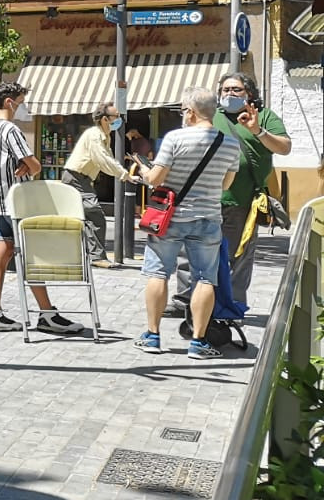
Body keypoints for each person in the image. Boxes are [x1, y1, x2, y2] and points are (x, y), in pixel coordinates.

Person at [166, 71, 290, 318]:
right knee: (190, 251)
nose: (230, 94)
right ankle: (185, 300)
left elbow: (284, 147)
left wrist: (258, 131)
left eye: (236, 90)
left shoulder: (264, 117)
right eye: (225, 90)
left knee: (237, 256)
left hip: (241, 202)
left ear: (249, 94)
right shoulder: (211, 114)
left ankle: (231, 305)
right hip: (201, 198)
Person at [136, 87, 241, 359]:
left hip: (171, 219)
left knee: (158, 273)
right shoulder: (230, 143)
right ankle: (198, 341)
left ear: (191, 113)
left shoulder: (175, 138)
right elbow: (226, 183)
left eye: (183, 110)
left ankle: (152, 336)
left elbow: (156, 179)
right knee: (206, 278)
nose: (182, 115)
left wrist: (145, 171)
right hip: (208, 218)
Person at [0, 81, 85, 334]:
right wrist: (31, 166)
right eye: (21, 101)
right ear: (10, 102)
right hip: (17, 203)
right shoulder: (10, 130)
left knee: (3, 253)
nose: (23, 107)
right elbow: (36, 164)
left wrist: (27, 165)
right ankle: (47, 314)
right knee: (31, 256)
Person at [62, 102, 141, 266]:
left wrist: (122, 173)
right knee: (95, 215)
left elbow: (108, 159)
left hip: (81, 179)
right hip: (76, 178)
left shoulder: (104, 135)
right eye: (116, 117)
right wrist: (125, 175)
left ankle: (83, 254)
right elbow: (104, 160)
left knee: (84, 217)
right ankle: (96, 257)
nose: (119, 120)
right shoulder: (95, 135)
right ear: (105, 119)